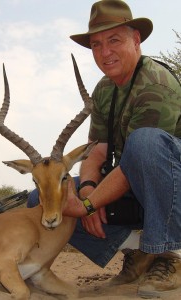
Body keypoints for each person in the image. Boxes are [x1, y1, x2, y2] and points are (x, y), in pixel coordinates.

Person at [27, 0, 181, 298]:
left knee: (145, 142)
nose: (104, 52)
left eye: (114, 40)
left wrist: (90, 205)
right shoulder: (104, 89)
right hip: (137, 187)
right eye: (96, 44)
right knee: (42, 198)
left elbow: (137, 160)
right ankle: (139, 256)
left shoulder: (155, 84)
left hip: (171, 187)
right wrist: (85, 190)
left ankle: (169, 256)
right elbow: (96, 152)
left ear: (136, 40)